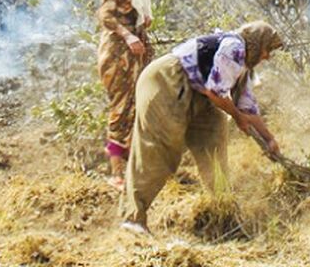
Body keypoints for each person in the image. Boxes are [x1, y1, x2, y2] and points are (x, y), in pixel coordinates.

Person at [120, 21, 284, 235]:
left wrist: (269, 139)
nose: (267, 56)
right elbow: (216, 92)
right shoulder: (234, 47)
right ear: (257, 42)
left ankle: (223, 214)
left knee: (214, 137)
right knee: (160, 147)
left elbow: (248, 110)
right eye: (267, 49)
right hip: (167, 81)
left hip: (199, 93)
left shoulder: (244, 68)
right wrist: (237, 117)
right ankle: (133, 218)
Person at [97, 0, 158, 189]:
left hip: (134, 56)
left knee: (138, 108)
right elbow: (106, 14)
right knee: (121, 109)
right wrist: (129, 35)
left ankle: (135, 169)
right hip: (118, 56)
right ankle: (117, 173)